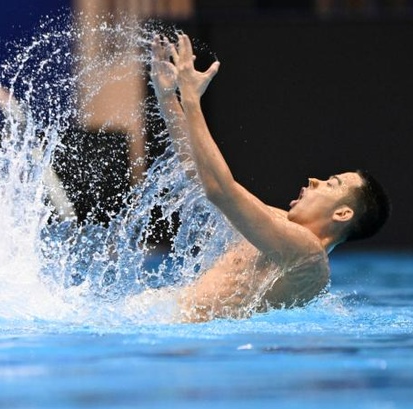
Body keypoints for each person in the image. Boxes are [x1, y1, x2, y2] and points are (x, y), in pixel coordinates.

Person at [148, 33, 389, 321]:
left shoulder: (309, 256)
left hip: (183, 337)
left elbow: (220, 191)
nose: (314, 180)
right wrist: (168, 99)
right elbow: (201, 175)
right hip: (167, 318)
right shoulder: (280, 226)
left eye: (330, 183)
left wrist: (191, 99)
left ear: (342, 213)